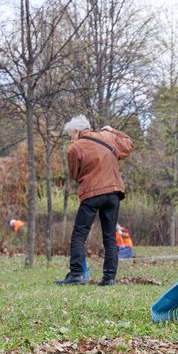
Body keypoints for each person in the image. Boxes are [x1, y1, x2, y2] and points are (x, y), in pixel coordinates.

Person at [55, 115, 134, 286]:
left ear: (77, 131)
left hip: (91, 194)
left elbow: (74, 175)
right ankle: (109, 278)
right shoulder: (108, 137)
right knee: (109, 236)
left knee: (79, 234)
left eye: (70, 135)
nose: (70, 138)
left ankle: (76, 274)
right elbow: (128, 144)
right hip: (114, 192)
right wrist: (113, 130)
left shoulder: (75, 148)